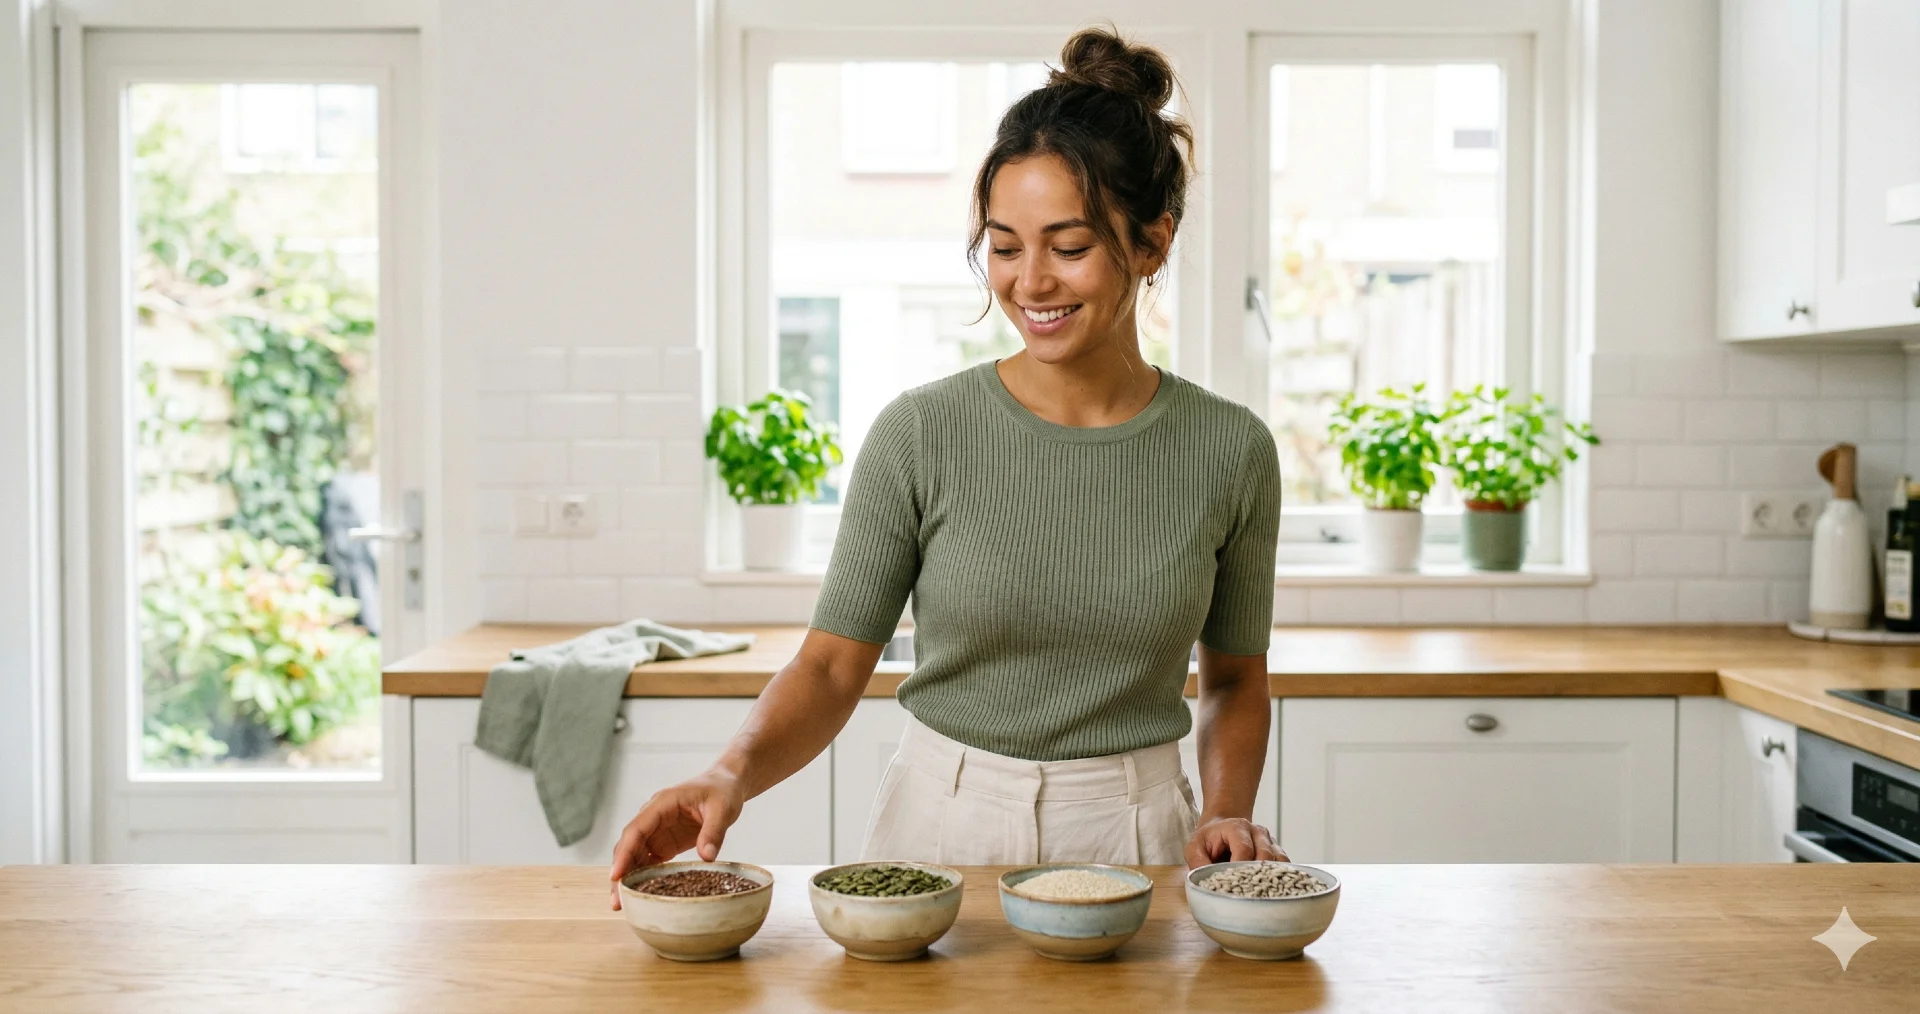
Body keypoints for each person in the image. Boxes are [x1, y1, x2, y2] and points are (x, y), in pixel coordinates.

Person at [609, 26, 1283, 909]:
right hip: (942, 826)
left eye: (1068, 247)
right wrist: (729, 773)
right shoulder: (922, 434)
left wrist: (1226, 813)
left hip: (1137, 830)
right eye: (1004, 246)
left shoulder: (1230, 450)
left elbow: (1234, 681)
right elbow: (830, 668)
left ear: (1153, 242)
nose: (1029, 283)